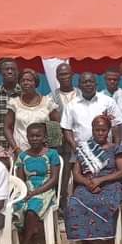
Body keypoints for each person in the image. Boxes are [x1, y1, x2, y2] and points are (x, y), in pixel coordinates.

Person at [65, 115, 122, 244]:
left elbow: (121, 172)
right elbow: (76, 173)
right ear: (92, 130)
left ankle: (107, 242)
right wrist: (88, 183)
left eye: (103, 130)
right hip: (87, 184)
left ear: (109, 130)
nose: (100, 133)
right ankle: (85, 242)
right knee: (74, 203)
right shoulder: (84, 149)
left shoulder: (117, 148)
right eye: (97, 130)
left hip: (111, 184)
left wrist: (100, 180)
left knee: (107, 202)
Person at [14, 123, 60, 244]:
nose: (34, 139)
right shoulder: (22, 156)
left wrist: (35, 193)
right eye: (31, 136)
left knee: (32, 210)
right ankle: (28, 237)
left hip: (45, 189)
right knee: (16, 208)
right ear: (27, 137)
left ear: (44, 137)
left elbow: (54, 179)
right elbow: (20, 180)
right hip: (27, 189)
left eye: (37, 136)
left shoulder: (52, 154)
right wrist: (25, 192)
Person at [47, 62, 82, 213]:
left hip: (80, 141)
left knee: (80, 175)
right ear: (57, 77)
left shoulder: (82, 94)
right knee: (62, 176)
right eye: (61, 75)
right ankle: (61, 207)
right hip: (61, 144)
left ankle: (78, 205)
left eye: (67, 74)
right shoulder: (51, 98)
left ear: (72, 75)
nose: (64, 77)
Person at [61, 72, 122, 153]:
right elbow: (67, 129)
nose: (88, 84)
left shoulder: (108, 101)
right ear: (79, 86)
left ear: (96, 84)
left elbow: (118, 125)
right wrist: (76, 149)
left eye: (91, 81)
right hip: (81, 153)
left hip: (106, 151)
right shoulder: (71, 105)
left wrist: (116, 149)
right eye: (85, 82)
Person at [5, 68, 60, 154]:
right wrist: (15, 148)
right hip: (20, 151)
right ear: (19, 83)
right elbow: (7, 128)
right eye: (23, 81)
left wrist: (51, 150)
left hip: (42, 152)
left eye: (29, 80)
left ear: (35, 83)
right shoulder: (14, 103)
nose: (26, 83)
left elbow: (56, 125)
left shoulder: (48, 102)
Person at [0, 58, 21, 150]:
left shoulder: (25, 94)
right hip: (0, 145)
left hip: (22, 144)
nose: (10, 71)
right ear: (0, 72)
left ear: (17, 72)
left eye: (13, 69)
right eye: (6, 69)